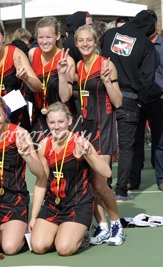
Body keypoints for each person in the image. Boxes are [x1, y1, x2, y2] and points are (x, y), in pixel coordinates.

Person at [29, 102, 111, 256]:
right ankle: (63, 231)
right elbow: (41, 182)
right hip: (54, 204)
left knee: (64, 249)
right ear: (47, 123)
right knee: (38, 247)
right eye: (52, 122)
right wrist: (33, 217)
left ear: (69, 121)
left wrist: (89, 154)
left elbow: (107, 172)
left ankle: (81, 235)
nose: (56, 126)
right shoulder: (43, 145)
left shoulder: (80, 142)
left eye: (61, 122)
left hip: (78, 204)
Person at [0, 94, 46, 255]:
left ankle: (20, 232)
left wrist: (27, 155)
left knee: (9, 248)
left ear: (6, 114)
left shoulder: (20, 134)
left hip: (15, 200)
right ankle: (1, 229)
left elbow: (40, 173)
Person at [100, 10, 158, 201]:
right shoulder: (146, 45)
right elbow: (147, 80)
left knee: (104, 144)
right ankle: (121, 190)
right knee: (126, 147)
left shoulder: (109, 35)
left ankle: (104, 185)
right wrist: (141, 99)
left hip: (105, 92)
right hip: (129, 97)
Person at [75, 25, 125, 246]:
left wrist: (106, 82)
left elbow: (118, 101)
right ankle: (102, 225)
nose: (85, 44)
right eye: (81, 41)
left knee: (100, 182)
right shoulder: (77, 65)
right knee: (88, 183)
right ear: (76, 43)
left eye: (89, 40)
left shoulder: (106, 64)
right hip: (84, 128)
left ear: (95, 41)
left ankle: (116, 224)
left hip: (103, 128)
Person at [129, 10, 163, 192]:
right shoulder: (134, 44)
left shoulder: (161, 46)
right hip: (136, 99)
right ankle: (133, 180)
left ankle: (161, 178)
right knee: (135, 142)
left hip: (157, 98)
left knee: (160, 140)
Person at [29, 17, 75, 142]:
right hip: (39, 116)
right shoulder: (33, 53)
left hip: (60, 119)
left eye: (48, 37)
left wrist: (61, 74)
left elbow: (65, 97)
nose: (44, 42)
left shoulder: (67, 60)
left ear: (58, 36)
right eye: (40, 37)